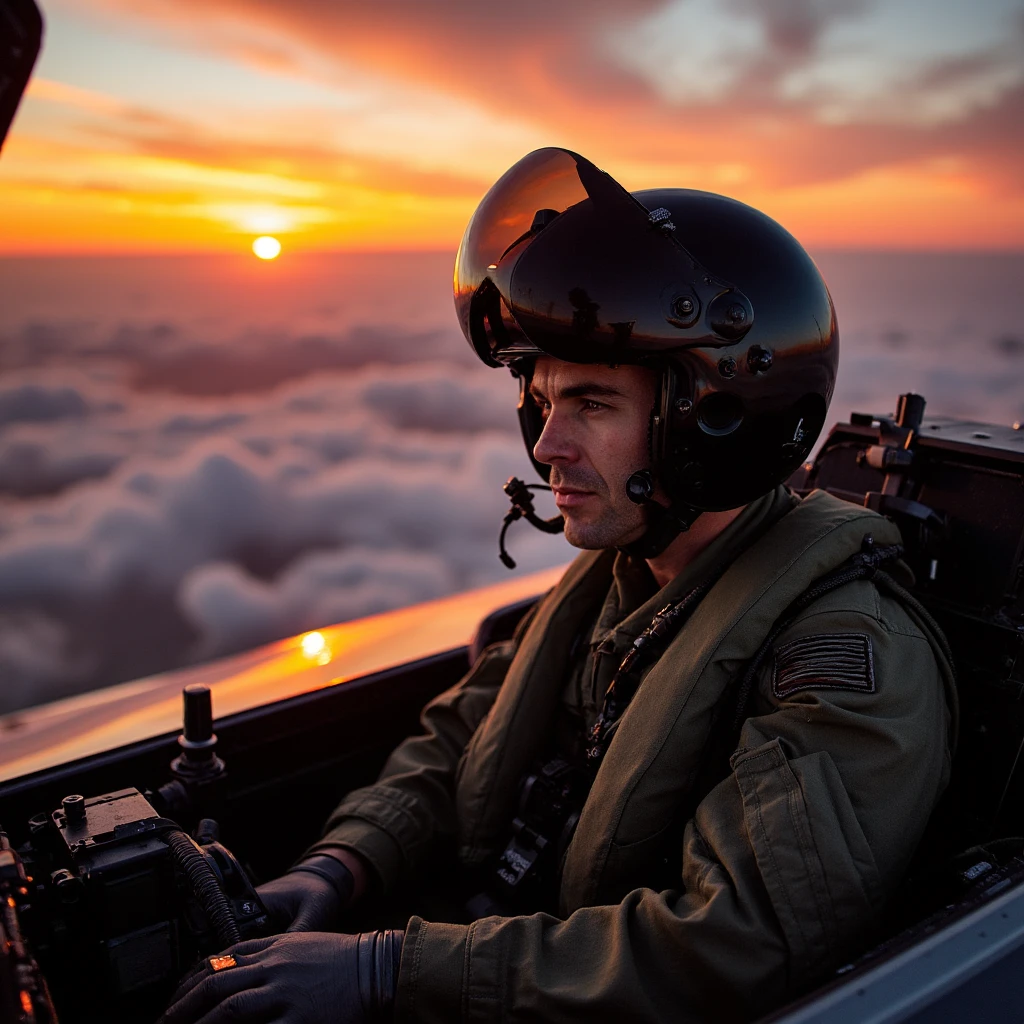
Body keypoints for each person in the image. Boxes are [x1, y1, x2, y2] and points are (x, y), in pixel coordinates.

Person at [160, 149, 958, 1024]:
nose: (546, 446)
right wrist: (342, 866)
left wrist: (389, 973)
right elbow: (463, 734)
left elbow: (733, 944)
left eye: (592, 404)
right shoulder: (619, 581)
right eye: (541, 401)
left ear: (714, 421)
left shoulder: (843, 656)